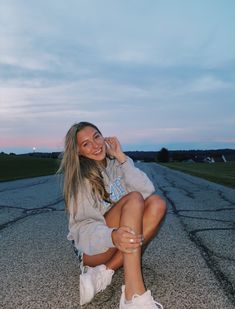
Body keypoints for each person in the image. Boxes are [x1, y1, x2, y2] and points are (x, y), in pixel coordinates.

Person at [58, 122, 166, 309]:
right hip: (91, 248)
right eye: (86, 144)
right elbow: (82, 227)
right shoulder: (80, 179)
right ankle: (133, 296)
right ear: (78, 152)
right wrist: (112, 235)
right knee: (133, 199)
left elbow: (147, 191)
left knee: (158, 204)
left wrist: (122, 158)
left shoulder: (118, 164)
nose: (95, 145)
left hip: (118, 237)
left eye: (96, 136)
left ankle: (106, 271)